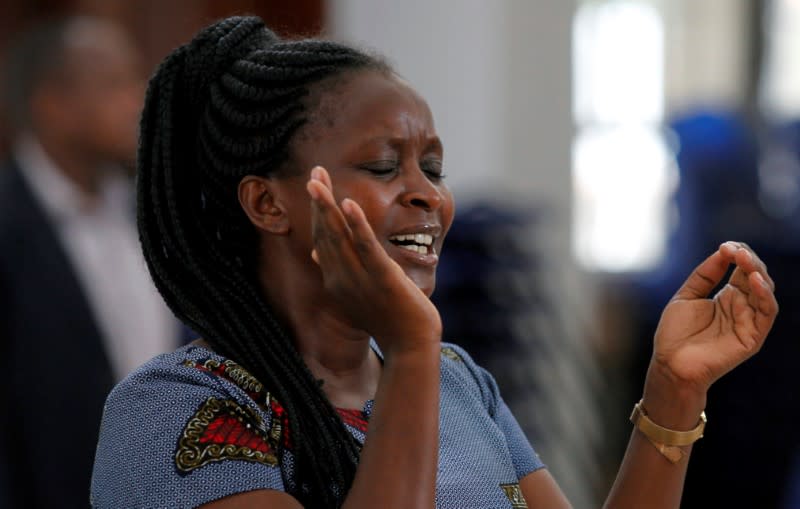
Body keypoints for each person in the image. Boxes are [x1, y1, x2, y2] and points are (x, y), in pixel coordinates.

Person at [90, 16, 778, 509]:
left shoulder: (455, 382)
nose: (427, 194)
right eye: (384, 165)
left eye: (435, 167)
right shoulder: (178, 409)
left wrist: (672, 392)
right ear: (269, 203)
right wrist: (413, 352)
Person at [0, 16, 181, 509]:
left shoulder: (160, 216)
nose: (137, 99)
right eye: (114, 82)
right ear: (52, 105)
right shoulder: (10, 227)